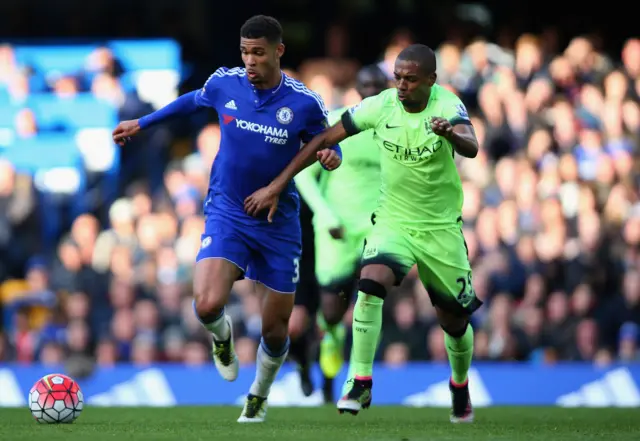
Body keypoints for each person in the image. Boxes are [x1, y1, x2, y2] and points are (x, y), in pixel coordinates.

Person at [112, 15, 342, 423]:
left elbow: (327, 144)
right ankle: (223, 340)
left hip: (278, 221)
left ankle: (259, 393)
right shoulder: (225, 82)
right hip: (228, 211)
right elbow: (191, 102)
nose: (249, 61)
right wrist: (142, 124)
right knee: (206, 303)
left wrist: (332, 156)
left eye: (258, 53)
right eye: (244, 52)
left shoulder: (304, 102)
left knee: (276, 330)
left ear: (277, 51)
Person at [244, 43, 482, 423]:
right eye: (398, 78)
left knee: (454, 322)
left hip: (439, 229)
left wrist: (451, 136)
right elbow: (322, 140)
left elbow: (471, 144)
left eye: (411, 79)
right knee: (368, 286)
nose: (401, 86)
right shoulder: (380, 107)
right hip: (391, 222)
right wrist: (276, 185)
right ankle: (359, 380)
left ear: (432, 81)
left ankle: (459, 385)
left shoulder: (448, 106)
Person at [293, 65, 389, 402]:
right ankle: (330, 339)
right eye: (367, 87)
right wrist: (325, 213)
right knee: (332, 311)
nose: (373, 93)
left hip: (377, 228)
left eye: (379, 87)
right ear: (357, 90)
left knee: (370, 294)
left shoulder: (398, 128)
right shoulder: (338, 121)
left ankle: (359, 376)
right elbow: (303, 173)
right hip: (336, 229)